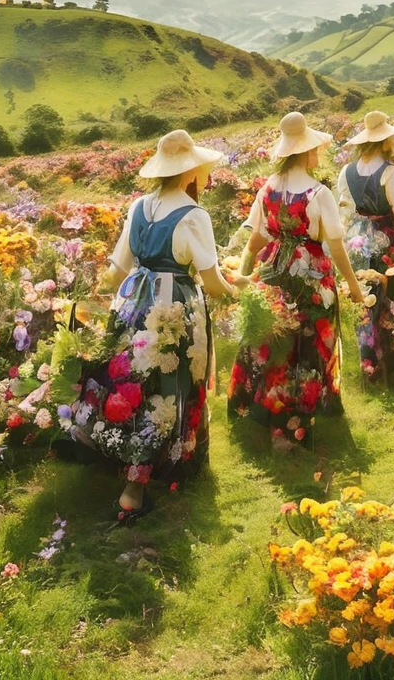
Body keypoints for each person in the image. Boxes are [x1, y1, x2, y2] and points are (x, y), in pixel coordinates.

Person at [78, 130, 242, 525]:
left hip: (134, 301)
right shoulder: (193, 214)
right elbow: (212, 279)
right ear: (192, 170)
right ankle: (144, 480)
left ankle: (112, 455)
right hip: (173, 306)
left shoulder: (139, 207)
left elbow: (118, 267)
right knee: (170, 385)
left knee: (131, 379)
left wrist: (97, 303)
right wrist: (237, 293)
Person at [228, 111, 363, 449]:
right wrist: (355, 286)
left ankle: (261, 404)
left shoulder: (267, 190)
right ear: (305, 152)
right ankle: (296, 417)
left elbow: (256, 238)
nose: (318, 153)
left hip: (273, 269)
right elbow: (335, 245)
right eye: (314, 148)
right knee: (309, 344)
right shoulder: (319, 194)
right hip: (311, 275)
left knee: (275, 340)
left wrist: (245, 274)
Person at [337, 110, 394, 384]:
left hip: (357, 236)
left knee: (364, 295)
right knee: (390, 293)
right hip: (385, 236)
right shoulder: (391, 172)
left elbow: (344, 207)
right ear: (385, 142)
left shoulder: (346, 171)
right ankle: (393, 358)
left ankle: (368, 359)